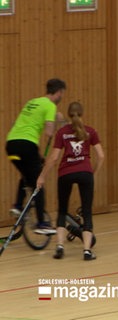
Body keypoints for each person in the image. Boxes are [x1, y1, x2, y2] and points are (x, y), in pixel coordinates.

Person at [37, 101, 104, 261]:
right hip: (85, 173)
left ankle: (59, 247)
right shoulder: (90, 131)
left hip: (65, 173)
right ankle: (87, 251)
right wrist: (93, 173)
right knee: (87, 212)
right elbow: (101, 156)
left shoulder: (62, 132)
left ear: (68, 114)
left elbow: (53, 158)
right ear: (82, 114)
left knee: (62, 210)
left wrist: (42, 176)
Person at [5, 78, 66, 235]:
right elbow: (48, 132)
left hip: (12, 143)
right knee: (39, 183)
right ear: (58, 92)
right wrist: (55, 126)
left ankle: (18, 206)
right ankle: (42, 223)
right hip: (27, 144)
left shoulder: (32, 102)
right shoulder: (50, 106)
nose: (62, 97)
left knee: (26, 175)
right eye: (62, 94)